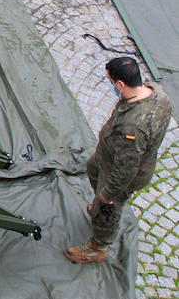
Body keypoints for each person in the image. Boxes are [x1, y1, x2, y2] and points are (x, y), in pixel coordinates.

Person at [66, 56, 172, 265]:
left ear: (120, 84)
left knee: (107, 208)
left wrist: (107, 195)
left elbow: (126, 170)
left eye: (111, 81)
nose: (112, 86)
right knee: (92, 167)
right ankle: (100, 204)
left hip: (120, 172)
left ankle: (98, 247)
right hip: (109, 158)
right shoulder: (156, 92)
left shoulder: (133, 128)